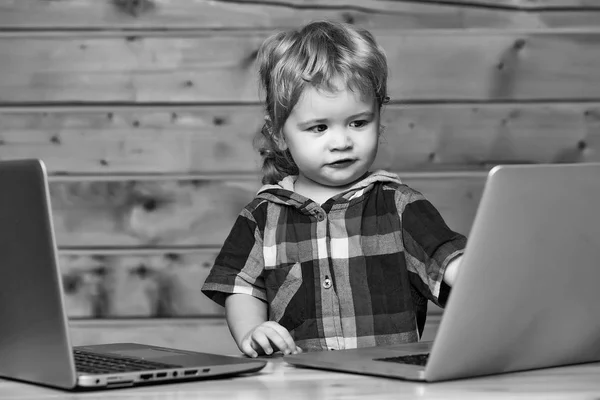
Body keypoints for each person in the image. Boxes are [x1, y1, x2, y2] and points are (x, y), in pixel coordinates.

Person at [201, 20, 466, 358]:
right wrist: (253, 331)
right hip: (297, 383)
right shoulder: (262, 216)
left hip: (388, 382)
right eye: (319, 127)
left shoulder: (400, 205)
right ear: (279, 134)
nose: (341, 141)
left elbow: (451, 265)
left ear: (378, 117)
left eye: (358, 122)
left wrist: (476, 272)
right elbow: (242, 289)